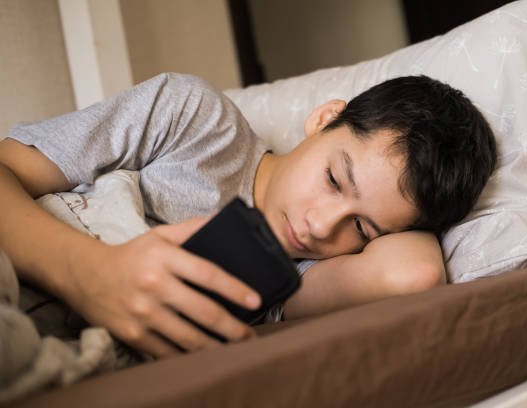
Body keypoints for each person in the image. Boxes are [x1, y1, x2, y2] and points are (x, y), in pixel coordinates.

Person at [0, 73, 496, 358]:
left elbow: (414, 273)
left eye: (363, 227)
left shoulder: (295, 278)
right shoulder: (197, 121)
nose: (320, 227)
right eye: (333, 179)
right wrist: (92, 274)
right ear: (324, 120)